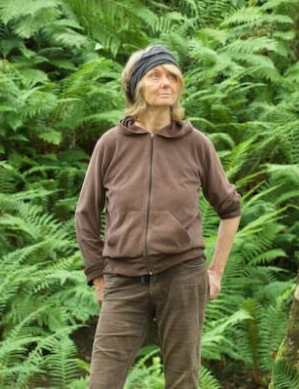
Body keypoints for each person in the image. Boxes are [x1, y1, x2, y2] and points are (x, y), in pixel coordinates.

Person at [75, 44, 242, 389]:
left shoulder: (196, 144)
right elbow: (86, 214)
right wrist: (98, 276)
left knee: (183, 382)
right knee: (102, 383)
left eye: (172, 76)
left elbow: (230, 208)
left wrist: (215, 272)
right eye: (155, 75)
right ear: (136, 85)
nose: (166, 82)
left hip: (182, 276)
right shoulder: (111, 144)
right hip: (122, 280)